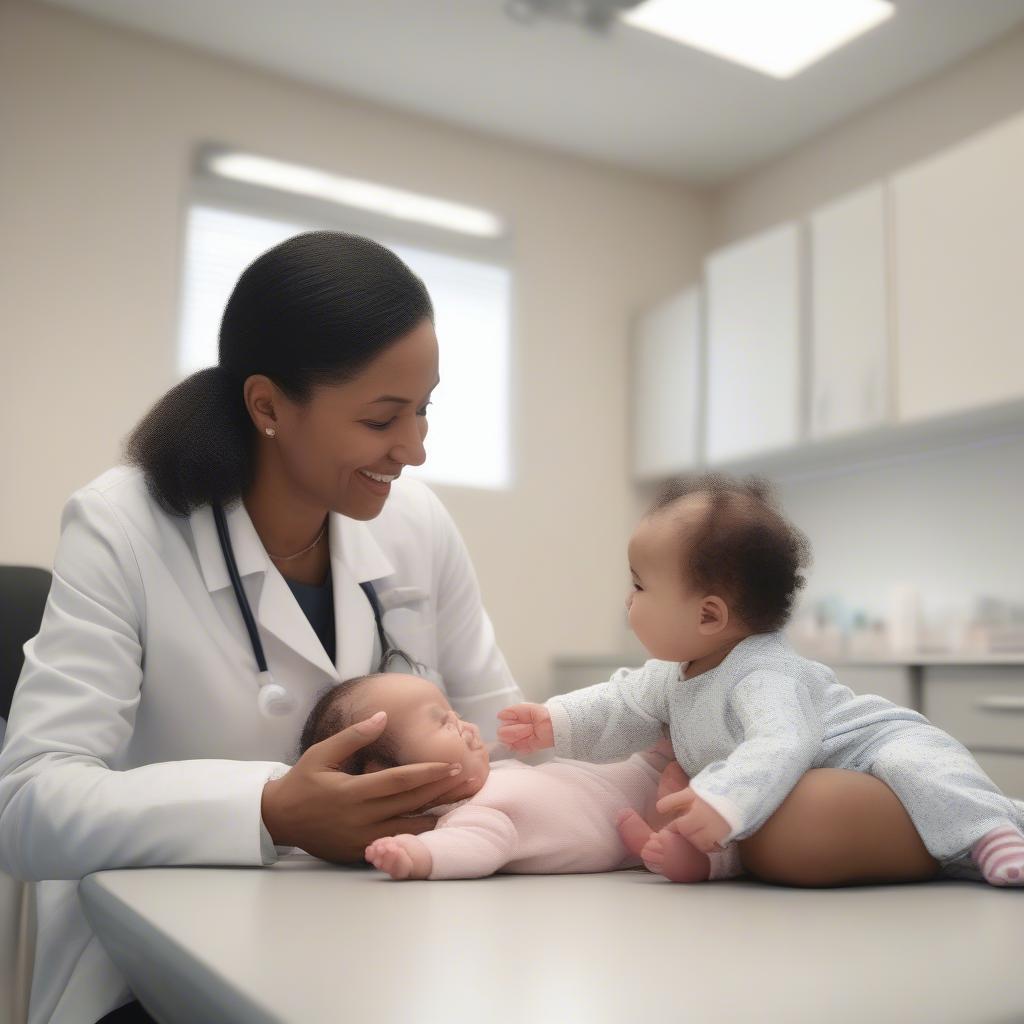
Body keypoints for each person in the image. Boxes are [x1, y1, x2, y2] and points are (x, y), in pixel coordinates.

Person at [0, 232, 940, 1024]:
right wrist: (269, 809)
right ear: (267, 406)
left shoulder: (413, 521)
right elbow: (29, 803)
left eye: (424, 409)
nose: (415, 450)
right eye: (382, 418)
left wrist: (674, 751)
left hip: (392, 929)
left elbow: (507, 737)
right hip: (164, 959)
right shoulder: (125, 524)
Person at [497, 473, 1024, 886]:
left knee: (922, 766)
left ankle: (992, 831)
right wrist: (555, 721)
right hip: (826, 791)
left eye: (640, 584)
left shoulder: (762, 672)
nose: (628, 599)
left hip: (873, 744)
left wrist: (724, 800)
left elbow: (782, 741)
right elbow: (620, 704)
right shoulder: (674, 675)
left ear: (708, 616)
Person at [301, 671, 743, 881]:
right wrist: (416, 855)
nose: (463, 723)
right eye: (441, 722)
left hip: (646, 771)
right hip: (660, 823)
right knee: (731, 833)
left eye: (453, 713)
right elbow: (473, 850)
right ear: (388, 778)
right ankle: (708, 864)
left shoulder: (498, 774)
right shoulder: (473, 815)